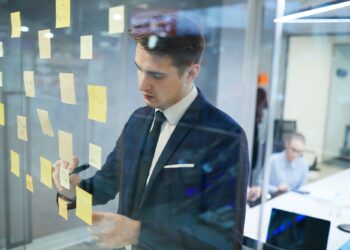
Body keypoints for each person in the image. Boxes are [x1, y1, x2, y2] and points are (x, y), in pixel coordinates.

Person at [53, 14, 249, 250]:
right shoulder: (139, 120)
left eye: (156, 75)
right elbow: (106, 184)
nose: (142, 85)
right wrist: (72, 188)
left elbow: (225, 241)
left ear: (191, 73)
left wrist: (137, 233)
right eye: (139, 69)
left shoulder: (224, 136)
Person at [248, 132, 308, 202]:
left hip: (292, 201)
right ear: (286, 144)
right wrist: (276, 189)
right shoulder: (273, 160)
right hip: (272, 199)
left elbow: (302, 188)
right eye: (293, 150)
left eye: (299, 152)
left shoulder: (304, 164)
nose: (295, 154)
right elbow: (260, 182)